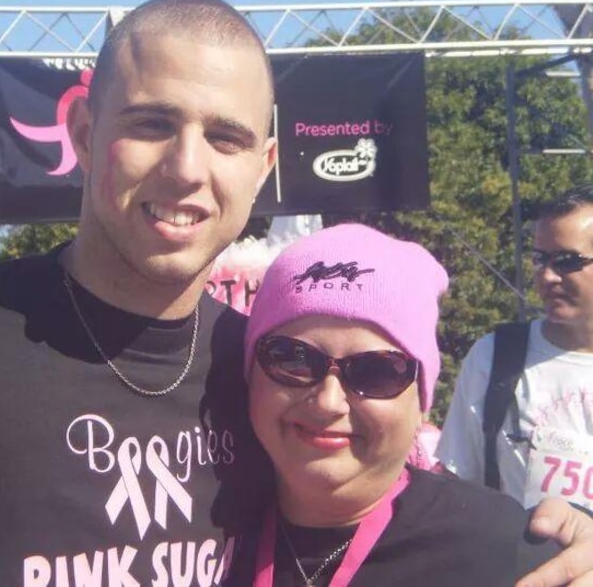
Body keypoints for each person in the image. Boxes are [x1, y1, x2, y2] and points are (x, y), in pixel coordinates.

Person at [0, 0, 591, 586]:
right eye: (150, 123)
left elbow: (390, 500)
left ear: (264, 164)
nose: (187, 167)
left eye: (225, 136)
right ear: (83, 133)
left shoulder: (265, 369)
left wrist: (560, 538)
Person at [225, 223, 564, 586]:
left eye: (375, 372)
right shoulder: (200, 529)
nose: (328, 402)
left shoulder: (505, 552)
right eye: (293, 359)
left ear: (420, 403)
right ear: (251, 374)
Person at [438, 183, 593, 511]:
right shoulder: (494, 357)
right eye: (540, 259)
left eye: (567, 261)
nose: (548, 276)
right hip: (518, 560)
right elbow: (456, 484)